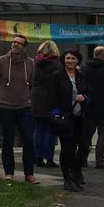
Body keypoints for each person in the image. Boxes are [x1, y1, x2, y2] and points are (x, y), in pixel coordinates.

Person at [0, 33, 37, 182]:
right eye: (13, 42)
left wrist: (26, 97)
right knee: (8, 140)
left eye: (19, 43)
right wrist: (1, 97)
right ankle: (9, 173)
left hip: (24, 106)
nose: (15, 45)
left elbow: (32, 82)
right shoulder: (1, 61)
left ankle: (29, 173)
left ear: (24, 47)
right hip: (5, 106)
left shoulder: (30, 63)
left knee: (28, 139)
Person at [48, 48, 88, 191]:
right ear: (63, 60)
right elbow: (51, 97)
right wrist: (56, 113)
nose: (70, 61)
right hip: (65, 117)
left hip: (80, 117)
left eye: (73, 59)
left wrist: (84, 98)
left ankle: (76, 171)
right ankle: (67, 178)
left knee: (84, 147)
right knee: (67, 149)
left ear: (78, 60)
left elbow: (88, 93)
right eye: (67, 58)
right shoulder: (56, 76)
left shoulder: (81, 76)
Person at [31, 40, 61, 168]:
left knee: (39, 129)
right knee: (51, 129)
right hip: (51, 98)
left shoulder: (34, 63)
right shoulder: (57, 65)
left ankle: (37, 157)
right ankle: (49, 158)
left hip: (36, 97)